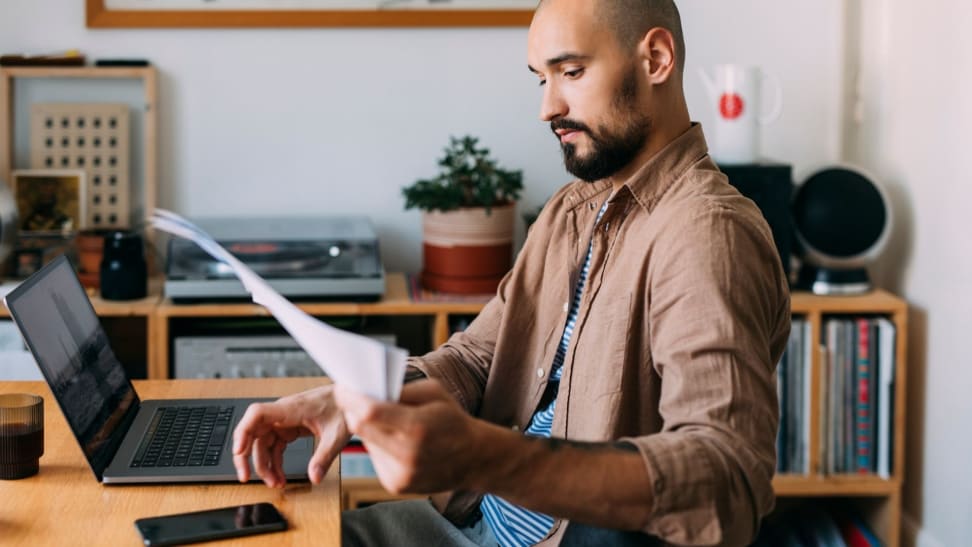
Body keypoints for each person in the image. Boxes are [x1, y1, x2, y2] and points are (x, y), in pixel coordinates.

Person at [232, 0, 790, 545]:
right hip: (462, 520)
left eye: (571, 72)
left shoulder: (708, 232)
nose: (548, 107)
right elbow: (477, 359)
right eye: (540, 80)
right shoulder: (570, 211)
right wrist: (351, 399)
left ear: (656, 60)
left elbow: (726, 476)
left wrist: (483, 454)